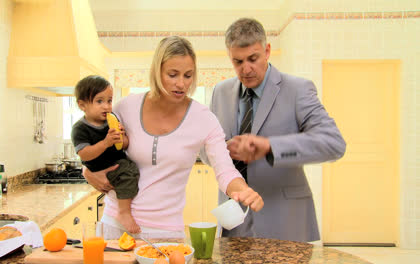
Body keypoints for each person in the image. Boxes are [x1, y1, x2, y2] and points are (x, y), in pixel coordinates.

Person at [83, 36, 264, 239]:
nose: (181, 84)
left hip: (165, 231)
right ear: (157, 71)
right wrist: (86, 170)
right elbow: (92, 144)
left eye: (188, 75)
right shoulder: (125, 108)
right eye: (172, 74)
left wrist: (243, 190)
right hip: (115, 224)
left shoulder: (203, 119)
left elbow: (225, 170)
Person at [201, 18, 346, 242]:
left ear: (267, 51)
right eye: (237, 61)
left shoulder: (298, 89)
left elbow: (334, 143)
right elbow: (205, 149)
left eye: (253, 58)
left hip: (284, 220)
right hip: (233, 220)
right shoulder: (220, 92)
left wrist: (270, 147)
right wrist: (222, 151)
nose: (246, 69)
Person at [72, 75, 141, 234]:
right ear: (82, 105)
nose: (107, 106)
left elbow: (124, 145)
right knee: (128, 174)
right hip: (101, 167)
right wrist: (105, 142)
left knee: (131, 169)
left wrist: (122, 138)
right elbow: (85, 154)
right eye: (99, 101)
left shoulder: (113, 119)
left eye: (109, 101)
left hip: (116, 161)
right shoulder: (80, 129)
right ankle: (124, 212)